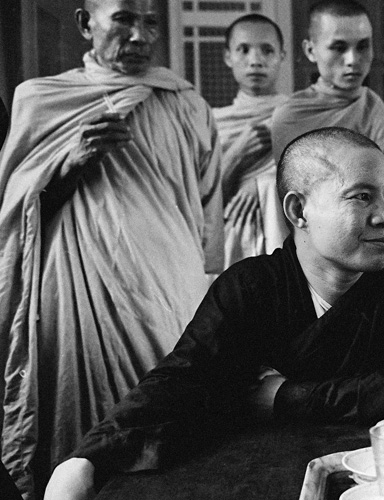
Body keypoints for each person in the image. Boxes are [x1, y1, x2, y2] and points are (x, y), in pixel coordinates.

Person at [43, 127, 384, 500]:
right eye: (362, 197)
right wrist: (85, 460)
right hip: (271, 470)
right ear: (298, 211)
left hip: (378, 477)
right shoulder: (251, 286)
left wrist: (283, 397)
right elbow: (181, 380)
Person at [0, 0, 223, 496]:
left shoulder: (187, 104)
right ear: (86, 23)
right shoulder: (42, 101)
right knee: (85, 433)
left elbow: (209, 207)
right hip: (80, 290)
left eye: (149, 23)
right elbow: (15, 217)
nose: (140, 36)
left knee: (176, 429)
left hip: (170, 286)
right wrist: (70, 162)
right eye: (123, 19)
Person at [270, 0, 384, 160]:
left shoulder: (381, 113)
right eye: (339, 48)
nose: (352, 60)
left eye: (362, 46)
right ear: (310, 51)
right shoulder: (290, 118)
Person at [214, 14, 289, 268]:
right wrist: (235, 154)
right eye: (243, 50)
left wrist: (264, 184)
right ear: (228, 57)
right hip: (229, 246)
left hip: (285, 241)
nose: (255, 61)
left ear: (282, 56)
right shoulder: (212, 123)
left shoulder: (298, 115)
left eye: (267, 50)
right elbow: (201, 208)